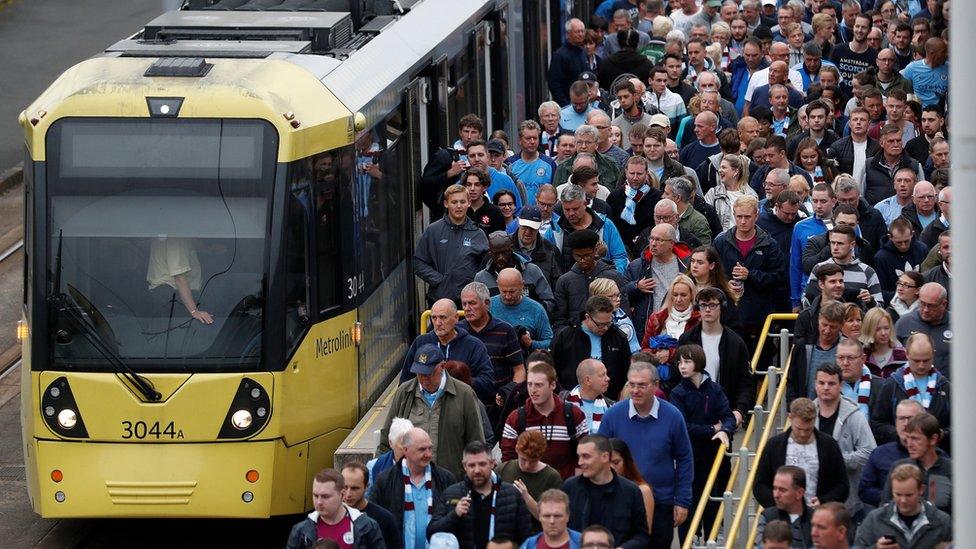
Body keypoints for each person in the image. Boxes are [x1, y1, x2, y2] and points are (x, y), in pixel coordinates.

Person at [598, 362, 694, 549]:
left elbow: (684, 459)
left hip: (661, 504)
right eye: (631, 384)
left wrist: (682, 501)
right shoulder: (612, 415)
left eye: (642, 385)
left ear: (656, 385)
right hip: (620, 503)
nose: (635, 390)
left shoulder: (673, 416)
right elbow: (599, 457)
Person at [382, 345, 485, 480]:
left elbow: (476, 442)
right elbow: (386, 439)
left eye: (429, 373)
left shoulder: (465, 394)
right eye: (419, 373)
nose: (424, 378)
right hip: (408, 481)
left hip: (451, 483)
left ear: (442, 367)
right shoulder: (404, 392)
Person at [669, 344, 735, 539]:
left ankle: (711, 539)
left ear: (698, 362)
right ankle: (691, 541)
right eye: (679, 362)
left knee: (713, 504)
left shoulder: (714, 389)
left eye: (687, 361)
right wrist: (712, 429)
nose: (682, 366)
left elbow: (728, 416)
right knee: (689, 505)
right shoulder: (678, 393)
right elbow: (683, 427)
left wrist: (725, 430)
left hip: (714, 457)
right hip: (690, 458)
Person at [428, 441, 532, 548]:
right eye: (472, 465)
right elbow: (431, 532)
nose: (477, 470)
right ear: (464, 466)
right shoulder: (451, 494)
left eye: (482, 464)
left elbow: (526, 540)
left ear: (492, 463)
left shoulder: (512, 495)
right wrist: (454, 514)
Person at [712, 195, 786, 345]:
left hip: (758, 317)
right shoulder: (721, 242)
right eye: (739, 217)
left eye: (747, 217)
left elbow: (778, 278)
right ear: (734, 214)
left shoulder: (769, 244)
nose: (743, 221)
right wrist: (726, 285)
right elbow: (711, 274)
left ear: (756, 215)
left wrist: (750, 275)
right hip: (728, 314)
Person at [753, 398, 849, 509]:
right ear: (790, 418)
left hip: (819, 517)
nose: (803, 434)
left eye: (808, 429)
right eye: (798, 428)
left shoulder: (829, 446)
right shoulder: (774, 445)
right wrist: (780, 504)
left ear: (814, 420)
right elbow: (759, 486)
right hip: (782, 518)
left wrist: (823, 501)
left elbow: (843, 486)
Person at [678, 287, 754, 426]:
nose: (707, 309)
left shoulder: (735, 343)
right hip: (691, 413)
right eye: (703, 305)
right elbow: (675, 378)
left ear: (721, 308)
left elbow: (745, 382)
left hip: (722, 411)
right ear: (698, 308)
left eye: (712, 305)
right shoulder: (686, 339)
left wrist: (739, 410)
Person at [500, 359, 588, 479]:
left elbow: (584, 456)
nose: (533, 389)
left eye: (538, 385)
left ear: (553, 385)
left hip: (565, 489)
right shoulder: (516, 418)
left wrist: (576, 488)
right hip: (528, 488)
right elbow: (508, 460)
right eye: (529, 384)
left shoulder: (574, 414)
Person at [561, 435, 650, 548]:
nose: (580, 462)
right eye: (579, 456)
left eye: (586, 456)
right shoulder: (570, 487)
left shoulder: (630, 491)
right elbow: (560, 528)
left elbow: (641, 536)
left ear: (605, 457)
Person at [372, 428, 456, 549]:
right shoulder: (385, 480)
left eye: (430, 448)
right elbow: (375, 522)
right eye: (422, 449)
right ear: (405, 450)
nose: (428, 454)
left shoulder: (445, 479)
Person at [813, 363, 878, 519]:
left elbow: (870, 452)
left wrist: (839, 460)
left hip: (845, 503)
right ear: (815, 385)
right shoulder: (807, 412)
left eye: (831, 383)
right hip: (812, 501)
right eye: (821, 383)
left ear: (840, 385)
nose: (826, 387)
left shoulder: (854, 415)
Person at [400, 299, 495, 403]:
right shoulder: (421, 342)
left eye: (443, 317)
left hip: (461, 406)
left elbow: (488, 383)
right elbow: (405, 380)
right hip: (424, 408)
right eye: (434, 317)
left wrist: (463, 382)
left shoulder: (474, 345)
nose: (438, 323)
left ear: (456, 318)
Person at [872, 333, 951, 451]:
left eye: (926, 360)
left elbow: (959, 425)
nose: (921, 365)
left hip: (935, 453)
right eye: (916, 360)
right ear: (906, 354)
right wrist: (901, 434)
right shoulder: (892, 384)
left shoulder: (944, 386)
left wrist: (943, 434)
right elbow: (877, 423)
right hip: (900, 453)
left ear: (933, 354)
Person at [414, 184, 489, 305]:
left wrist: (473, 284)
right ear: (446, 204)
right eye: (454, 202)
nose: (459, 206)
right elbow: (418, 263)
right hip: (439, 300)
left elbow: (486, 266)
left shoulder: (478, 233)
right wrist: (439, 281)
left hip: (469, 303)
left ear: (469, 203)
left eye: (462, 201)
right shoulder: (433, 231)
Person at [551, 295, 633, 400]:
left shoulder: (618, 337)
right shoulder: (566, 336)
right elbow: (552, 369)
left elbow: (626, 370)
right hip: (571, 400)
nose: (606, 328)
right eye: (601, 324)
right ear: (587, 317)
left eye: (609, 323)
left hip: (608, 400)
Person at [854, 463, 952, 548]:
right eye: (898, 494)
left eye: (909, 495)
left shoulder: (942, 522)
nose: (903, 500)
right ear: (892, 491)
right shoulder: (874, 520)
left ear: (921, 490)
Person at [287, 468, 387, 549]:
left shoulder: (367, 527)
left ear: (342, 494)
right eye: (315, 496)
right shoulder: (301, 531)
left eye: (325, 496)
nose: (319, 502)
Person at [551, 229, 629, 331]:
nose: (582, 260)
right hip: (576, 338)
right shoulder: (565, 281)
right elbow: (559, 319)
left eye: (586, 255)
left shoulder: (613, 276)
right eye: (577, 256)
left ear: (595, 251)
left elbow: (624, 312)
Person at [626, 223, 691, 345]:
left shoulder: (686, 265)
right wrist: (636, 287)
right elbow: (622, 294)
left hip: (678, 326)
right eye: (651, 238)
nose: (653, 243)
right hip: (649, 328)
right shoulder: (637, 266)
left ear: (671, 243)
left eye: (659, 240)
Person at [858, 399, 927, 510]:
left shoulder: (934, 456)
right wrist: (894, 497)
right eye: (901, 418)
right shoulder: (879, 454)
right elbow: (864, 490)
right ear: (895, 422)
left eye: (911, 418)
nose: (905, 424)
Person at [880, 413, 952, 515]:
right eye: (908, 438)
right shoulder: (899, 468)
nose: (909, 444)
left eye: (915, 439)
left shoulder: (951, 471)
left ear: (933, 439)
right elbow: (885, 508)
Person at [546, 185, 628, 273]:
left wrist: (611, 278)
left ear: (585, 204)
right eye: (567, 209)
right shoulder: (555, 229)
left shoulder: (605, 225)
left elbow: (620, 258)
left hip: (600, 283)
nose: (571, 213)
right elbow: (546, 260)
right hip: (568, 283)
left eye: (575, 209)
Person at [803, 225, 883, 308]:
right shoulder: (819, 268)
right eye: (832, 243)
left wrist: (870, 301)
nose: (835, 247)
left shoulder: (867, 271)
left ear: (852, 245)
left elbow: (879, 308)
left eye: (840, 243)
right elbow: (806, 302)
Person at [495, 430, 563, 527]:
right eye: (523, 459)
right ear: (517, 450)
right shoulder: (503, 469)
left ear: (540, 457)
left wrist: (526, 497)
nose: (527, 465)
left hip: (535, 534)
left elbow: (549, 519)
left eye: (532, 461)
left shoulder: (551, 477)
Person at [476, 233, 555, 315]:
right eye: (496, 253)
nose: (501, 257)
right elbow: (478, 308)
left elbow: (549, 301)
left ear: (511, 249)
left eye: (504, 252)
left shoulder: (532, 271)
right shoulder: (481, 278)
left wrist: (533, 316)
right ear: (490, 252)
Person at [789, 301, 846, 402]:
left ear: (841, 325)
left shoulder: (847, 349)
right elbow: (792, 379)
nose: (827, 330)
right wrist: (791, 406)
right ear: (818, 319)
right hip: (806, 411)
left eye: (832, 327)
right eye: (824, 325)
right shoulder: (802, 345)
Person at [893, 282, 951, 376]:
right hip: (910, 386)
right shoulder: (904, 323)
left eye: (931, 305)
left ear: (944, 304)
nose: (925, 310)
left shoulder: (959, 326)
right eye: (922, 304)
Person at [607, 156, 662, 252]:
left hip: (648, 248)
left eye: (639, 174)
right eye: (632, 173)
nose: (635, 178)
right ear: (626, 172)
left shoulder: (657, 197)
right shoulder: (615, 197)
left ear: (647, 173)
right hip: (620, 248)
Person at [341, 462, 402, 549]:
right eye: (345, 487)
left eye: (355, 488)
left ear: (367, 487)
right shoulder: (330, 516)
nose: (348, 494)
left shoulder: (385, 519)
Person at [753, 466, 814, 549]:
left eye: (782, 490)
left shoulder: (816, 519)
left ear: (799, 493)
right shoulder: (767, 516)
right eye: (774, 488)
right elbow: (760, 546)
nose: (776, 495)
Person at [864, 125, 924, 207]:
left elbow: (922, 193)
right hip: (876, 215)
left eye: (898, 140)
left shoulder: (914, 165)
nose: (896, 144)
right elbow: (860, 194)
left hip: (907, 215)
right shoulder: (868, 165)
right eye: (891, 141)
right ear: (881, 143)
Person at [608, 438, 656, 536]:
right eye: (607, 463)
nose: (611, 468)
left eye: (616, 462)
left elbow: (645, 532)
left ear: (626, 462)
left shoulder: (642, 490)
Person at [512, 204, 565, 289]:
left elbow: (559, 285)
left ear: (539, 226)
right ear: (518, 223)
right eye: (525, 227)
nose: (528, 232)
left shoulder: (551, 250)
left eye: (533, 228)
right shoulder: (506, 246)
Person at [507, 121, 557, 205]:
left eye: (535, 138)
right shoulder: (510, 163)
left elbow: (554, 193)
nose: (532, 141)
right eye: (528, 138)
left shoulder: (550, 164)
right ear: (520, 140)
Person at [705, 154, 758, 232]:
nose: (719, 170)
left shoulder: (750, 195)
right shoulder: (713, 193)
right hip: (720, 241)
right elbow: (706, 219)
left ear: (736, 172)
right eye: (720, 167)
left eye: (724, 167)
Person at [827, 107, 878, 186]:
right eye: (855, 119)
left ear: (869, 123)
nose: (858, 122)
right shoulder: (837, 146)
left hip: (870, 193)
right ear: (850, 124)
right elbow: (831, 173)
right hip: (845, 192)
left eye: (862, 120)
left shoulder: (877, 147)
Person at [518, 489, 582, 549]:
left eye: (557, 516)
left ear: (567, 516)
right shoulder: (529, 545)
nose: (552, 521)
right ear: (540, 516)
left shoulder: (584, 543)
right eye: (547, 516)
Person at [369, 417, 414, 497]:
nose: (408, 449)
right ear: (391, 443)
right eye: (403, 444)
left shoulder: (424, 467)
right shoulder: (374, 467)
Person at [548, 20, 589, 107]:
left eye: (582, 31)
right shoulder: (560, 55)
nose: (581, 34)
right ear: (568, 34)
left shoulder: (583, 52)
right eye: (577, 32)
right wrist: (566, 105)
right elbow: (555, 84)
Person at [900, 37, 948, 107]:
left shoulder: (950, 69)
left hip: (940, 114)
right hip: (918, 114)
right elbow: (903, 94)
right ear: (932, 53)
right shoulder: (912, 68)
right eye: (943, 52)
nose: (946, 54)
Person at [860, 307, 907, 379]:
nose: (883, 333)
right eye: (878, 329)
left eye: (886, 328)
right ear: (869, 330)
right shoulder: (862, 356)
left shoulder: (903, 355)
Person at [463, 169, 507, 236]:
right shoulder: (460, 209)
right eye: (469, 185)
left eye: (477, 185)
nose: (472, 188)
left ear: (484, 187)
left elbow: (499, 241)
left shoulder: (495, 212)